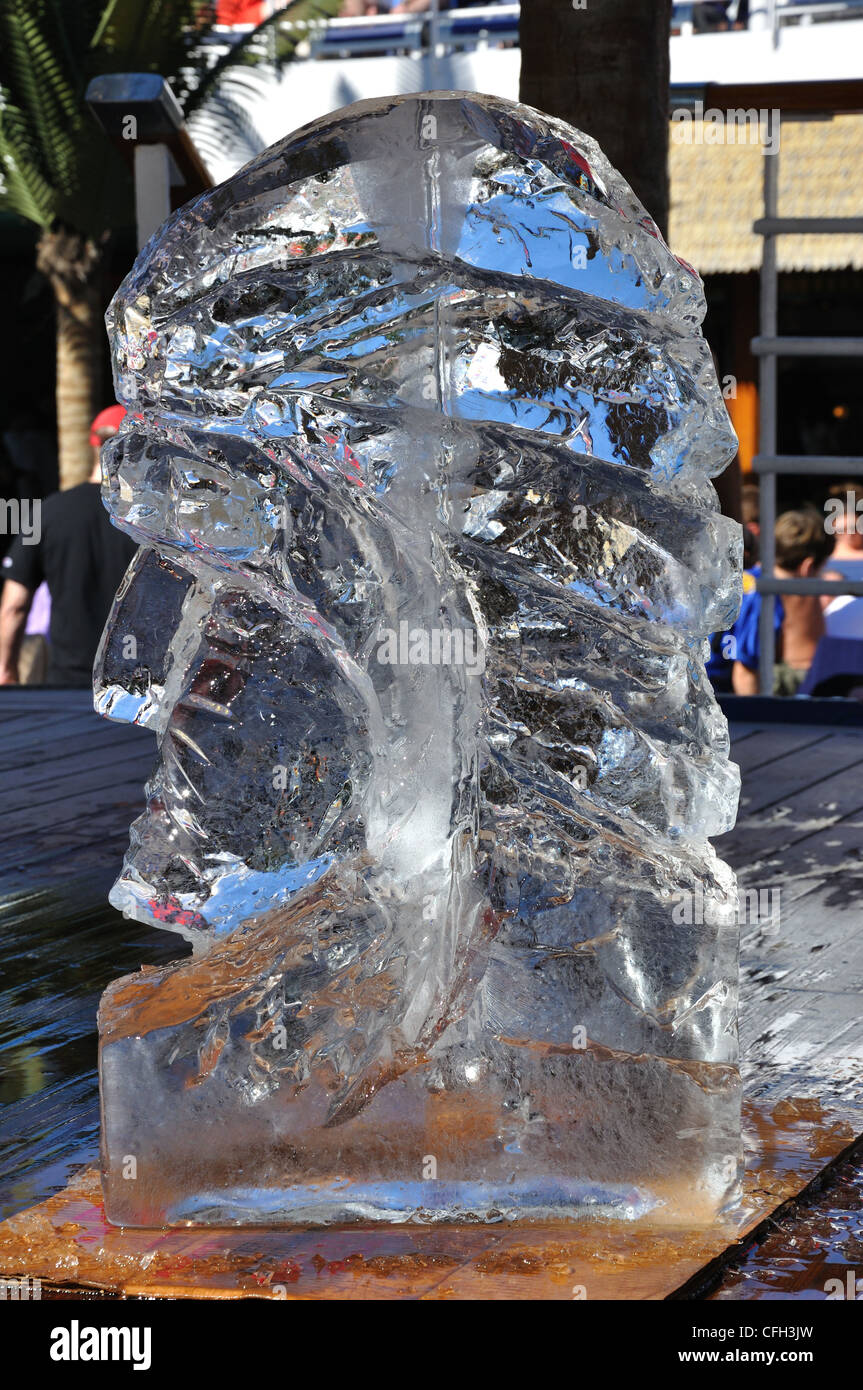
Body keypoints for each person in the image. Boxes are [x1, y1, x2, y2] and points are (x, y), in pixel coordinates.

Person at [0, 406, 137, 687]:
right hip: (137, 690)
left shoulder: (46, 512)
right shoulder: (154, 525)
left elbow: (14, 606)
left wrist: (6, 670)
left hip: (68, 684)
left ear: (93, 443)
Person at [731, 507, 835, 696]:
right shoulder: (764, 595)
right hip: (733, 696)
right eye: (822, 570)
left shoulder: (755, 582)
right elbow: (745, 672)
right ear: (808, 567)